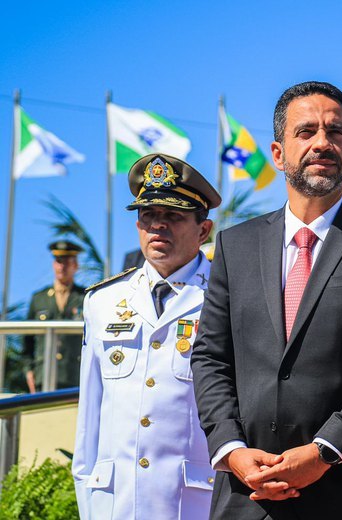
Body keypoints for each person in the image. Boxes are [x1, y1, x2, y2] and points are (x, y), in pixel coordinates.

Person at [191, 81, 342, 519]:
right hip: (246, 496)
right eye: (307, 132)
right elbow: (210, 357)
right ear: (278, 153)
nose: (323, 143)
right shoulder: (233, 246)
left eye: (335, 133)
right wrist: (231, 448)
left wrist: (324, 452)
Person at [72, 153, 221, 519]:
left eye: (172, 216)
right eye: (148, 216)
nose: (158, 226)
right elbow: (89, 420)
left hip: (194, 502)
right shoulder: (102, 301)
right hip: (114, 501)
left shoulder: (227, 296)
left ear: (203, 231)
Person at [23, 240, 85, 392]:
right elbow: (27, 343)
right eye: (58, 261)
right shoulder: (39, 299)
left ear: (75, 265)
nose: (62, 266)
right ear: (53, 264)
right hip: (42, 376)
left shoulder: (85, 297)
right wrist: (29, 372)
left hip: (74, 377)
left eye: (67, 262)